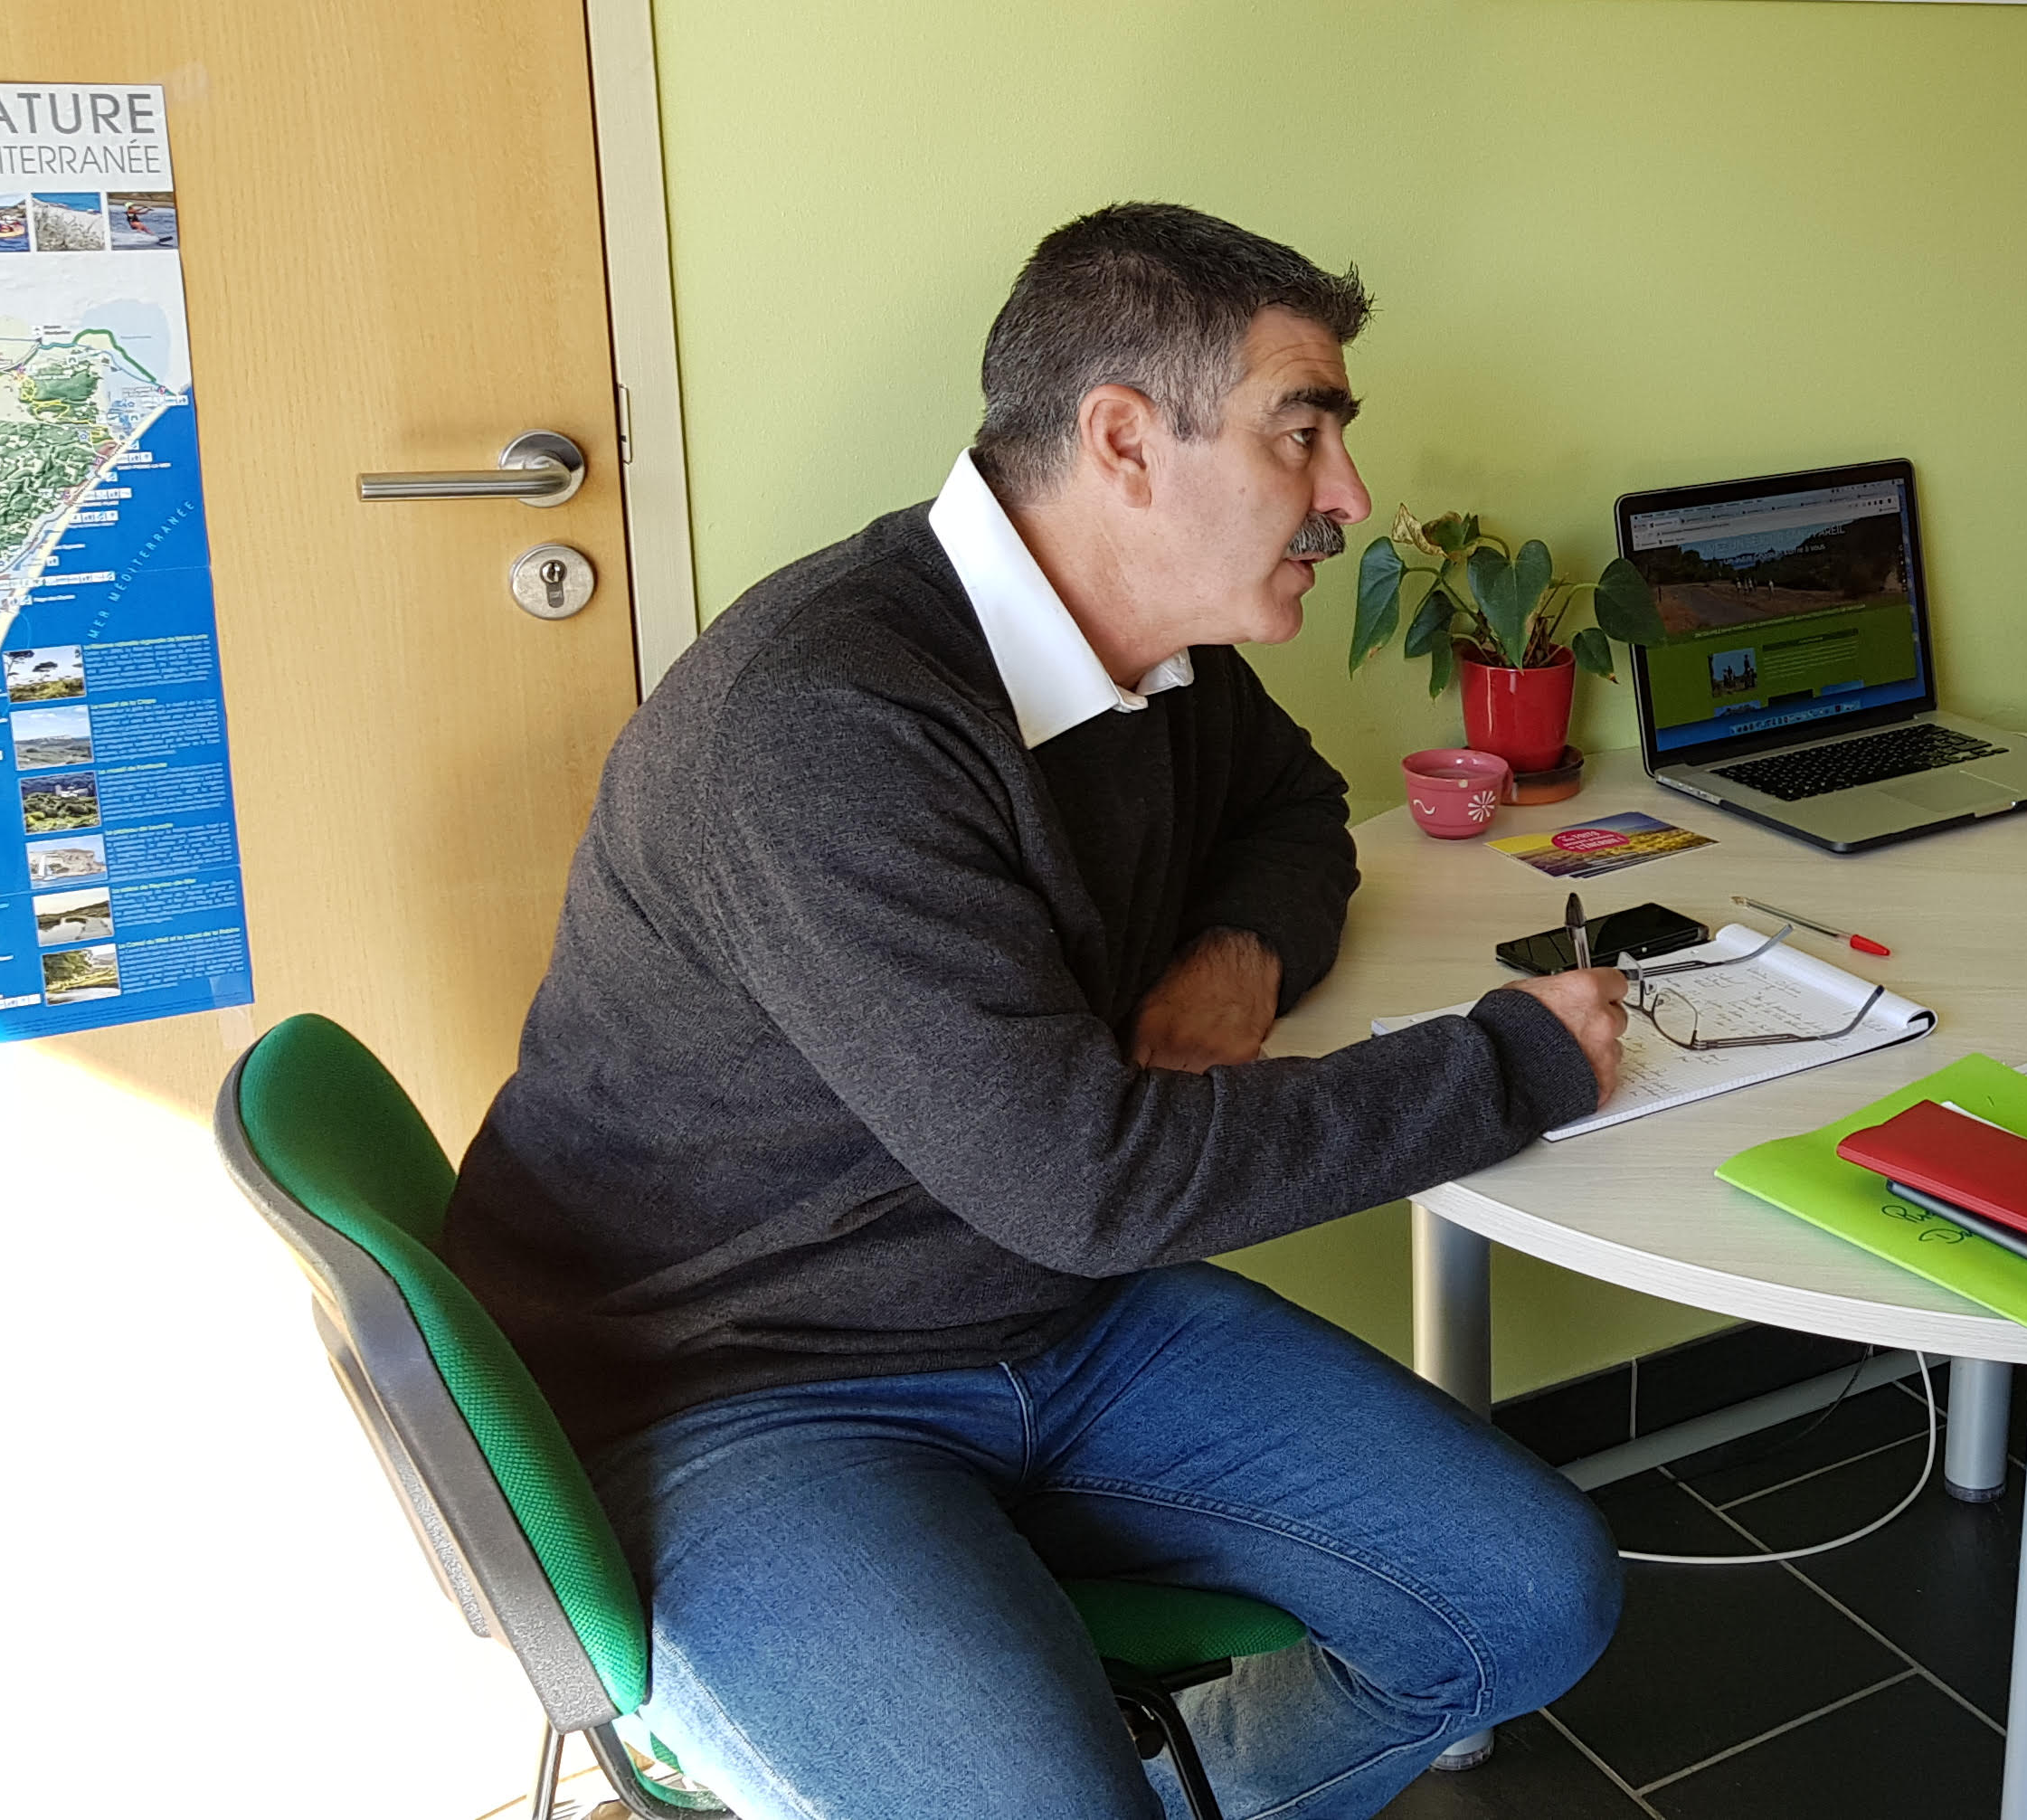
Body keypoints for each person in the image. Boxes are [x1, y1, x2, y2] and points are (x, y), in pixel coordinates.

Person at [446, 203, 1634, 1820]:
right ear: (1127, 441)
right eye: (1306, 432)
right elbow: (1095, 1181)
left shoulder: (1152, 653)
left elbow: (1294, 811)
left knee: (1531, 1597)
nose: (1349, 496)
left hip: (1045, 1310)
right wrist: (1516, 1064)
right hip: (732, 1378)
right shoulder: (829, 724)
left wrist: (1240, 954)